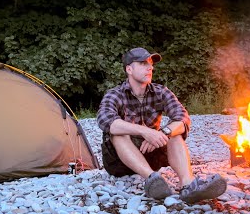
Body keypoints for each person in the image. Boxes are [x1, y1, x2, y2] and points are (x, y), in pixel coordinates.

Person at [96, 47, 227, 203]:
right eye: (143, 63)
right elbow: (105, 120)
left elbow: (183, 118)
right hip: (119, 163)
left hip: (152, 154)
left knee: (174, 132)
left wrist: (163, 133)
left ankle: (188, 185)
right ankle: (151, 180)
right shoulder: (115, 94)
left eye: (150, 64)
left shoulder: (161, 92)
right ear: (129, 69)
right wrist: (146, 132)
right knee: (118, 132)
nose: (150, 67)